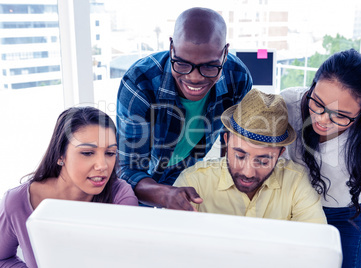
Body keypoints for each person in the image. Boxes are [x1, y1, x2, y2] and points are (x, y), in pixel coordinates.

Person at [116, 7, 252, 210]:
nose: (194, 77)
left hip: (186, 170)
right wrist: (164, 195)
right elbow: (128, 170)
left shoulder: (238, 78)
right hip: (144, 177)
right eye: (181, 63)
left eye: (209, 66)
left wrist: (227, 178)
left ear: (225, 53)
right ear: (171, 47)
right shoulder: (139, 82)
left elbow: (232, 139)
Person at [280, 49, 361, 268]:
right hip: (298, 211)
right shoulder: (288, 103)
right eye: (317, 103)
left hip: (350, 216)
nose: (322, 119)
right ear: (313, 84)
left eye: (341, 115)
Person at [0, 107, 139, 268]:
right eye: (87, 153)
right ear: (60, 155)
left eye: (110, 153)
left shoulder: (121, 197)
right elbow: (2, 259)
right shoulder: (17, 202)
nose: (102, 166)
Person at [173, 89, 327, 223]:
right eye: (239, 156)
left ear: (281, 153)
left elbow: (316, 243)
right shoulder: (193, 182)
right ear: (226, 142)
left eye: (263, 161)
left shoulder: (296, 182)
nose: (248, 172)